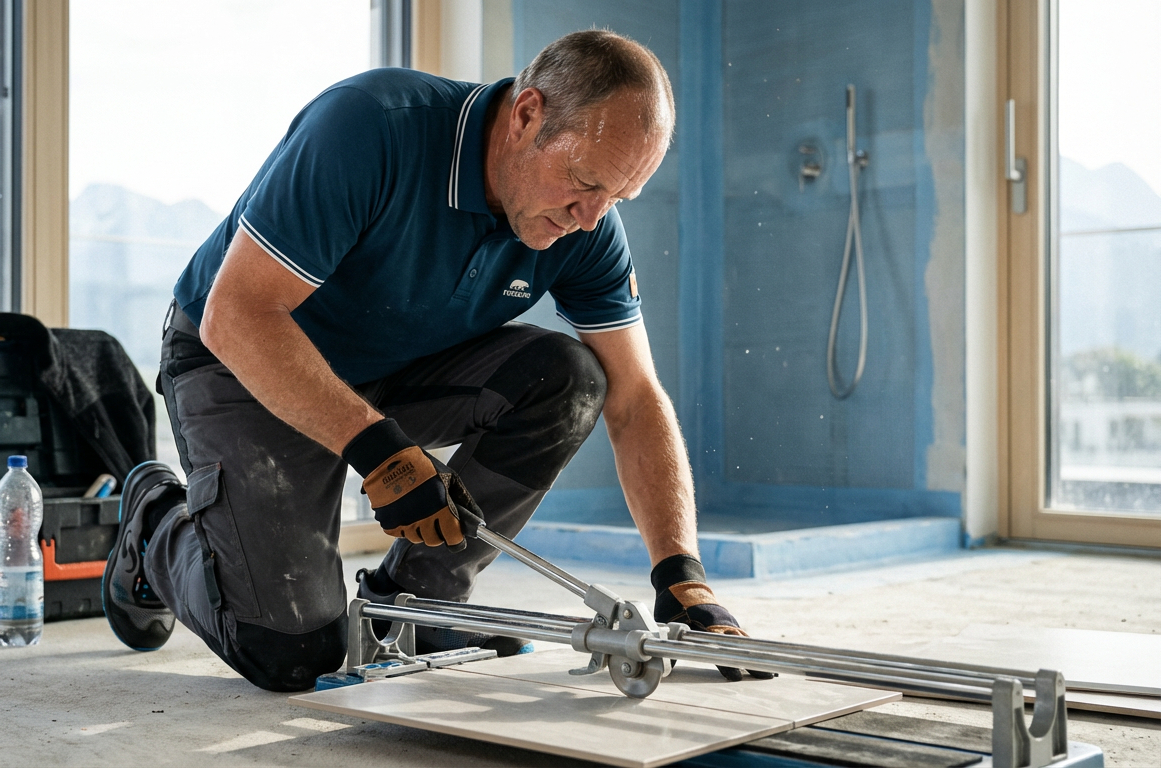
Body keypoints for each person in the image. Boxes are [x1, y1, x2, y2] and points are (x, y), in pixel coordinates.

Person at [101, 29, 771, 692]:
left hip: (390, 368)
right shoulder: (368, 128)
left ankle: (421, 602)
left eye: (618, 198)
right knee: (291, 651)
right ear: (527, 114)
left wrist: (682, 576)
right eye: (582, 181)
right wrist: (380, 451)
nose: (590, 218)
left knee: (569, 380)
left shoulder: (585, 227)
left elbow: (635, 397)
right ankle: (154, 517)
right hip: (241, 357)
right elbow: (237, 314)